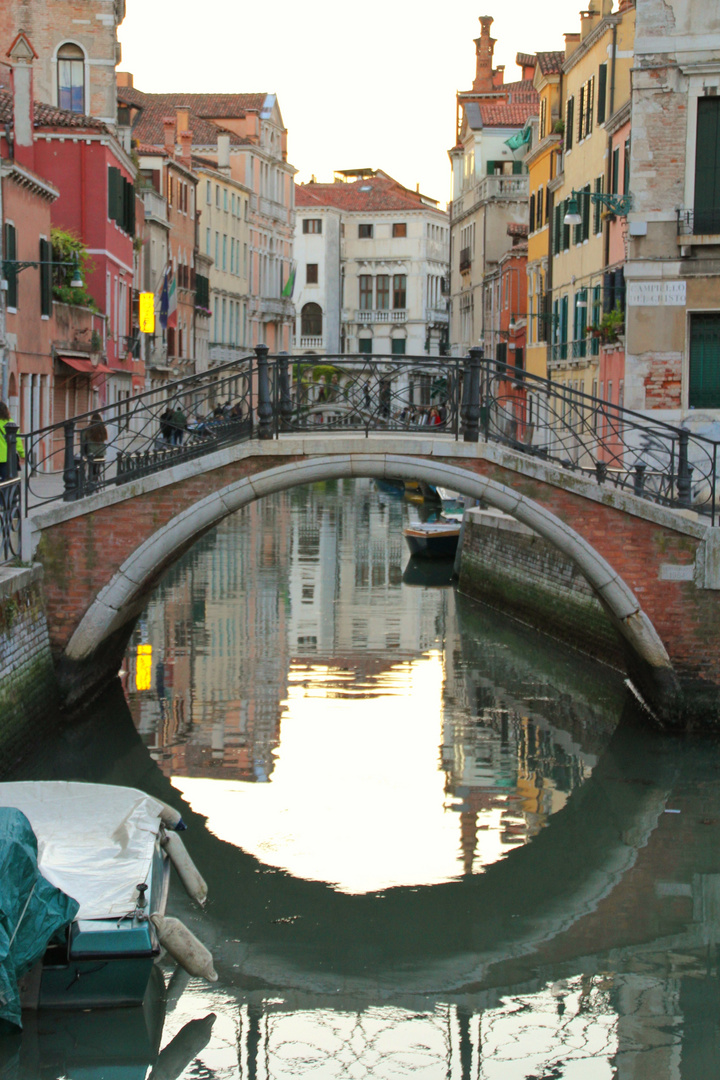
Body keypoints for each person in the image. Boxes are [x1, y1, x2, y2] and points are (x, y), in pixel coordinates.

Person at [0, 402, 25, 480]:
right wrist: (22, 454)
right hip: (7, 457)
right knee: (7, 481)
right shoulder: (10, 422)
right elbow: (17, 441)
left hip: (6, 457)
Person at [81, 412, 108, 482]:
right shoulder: (102, 429)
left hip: (91, 453)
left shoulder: (88, 430)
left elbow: (83, 440)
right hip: (101, 454)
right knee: (97, 466)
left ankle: (91, 478)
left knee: (91, 465)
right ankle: (96, 476)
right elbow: (105, 438)